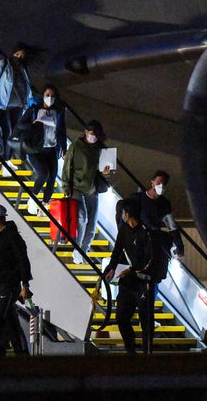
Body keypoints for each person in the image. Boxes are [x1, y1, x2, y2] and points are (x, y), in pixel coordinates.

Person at [103, 199, 154, 354]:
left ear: (128, 213)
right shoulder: (124, 230)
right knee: (121, 317)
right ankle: (130, 350)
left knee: (145, 320)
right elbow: (117, 251)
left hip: (142, 282)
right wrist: (111, 268)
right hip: (127, 281)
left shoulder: (145, 232)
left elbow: (149, 258)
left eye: (123, 212)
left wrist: (132, 269)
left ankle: (147, 353)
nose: (122, 215)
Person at [0, 203, 33, 356]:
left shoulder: (13, 237)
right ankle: (21, 353)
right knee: (11, 322)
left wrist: (25, 285)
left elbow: (23, 260)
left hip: (9, 285)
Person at [61, 119, 111, 264]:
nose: (93, 138)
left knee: (92, 223)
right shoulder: (76, 146)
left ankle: (82, 250)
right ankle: (77, 248)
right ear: (85, 133)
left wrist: (106, 172)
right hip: (76, 187)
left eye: (95, 135)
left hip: (92, 189)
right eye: (90, 134)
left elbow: (102, 171)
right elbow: (67, 166)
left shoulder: (100, 149)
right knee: (82, 218)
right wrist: (66, 187)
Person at [15, 84, 67, 216]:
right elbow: (20, 123)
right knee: (43, 173)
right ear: (42, 96)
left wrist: (64, 148)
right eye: (47, 95)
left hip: (52, 148)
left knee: (52, 176)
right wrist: (34, 123)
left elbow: (61, 130)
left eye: (52, 96)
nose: (50, 98)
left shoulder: (58, 112)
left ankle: (44, 204)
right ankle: (32, 198)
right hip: (36, 148)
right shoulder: (34, 109)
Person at [0, 44, 33, 172]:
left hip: (18, 106)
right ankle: (5, 161)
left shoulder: (24, 68)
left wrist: (28, 104)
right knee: (8, 131)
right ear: (12, 53)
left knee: (13, 134)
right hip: (3, 104)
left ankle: (7, 158)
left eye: (22, 56)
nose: (19, 58)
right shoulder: (3, 64)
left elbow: (27, 87)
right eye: (17, 55)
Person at [119, 170, 185, 258]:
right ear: (152, 183)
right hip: (137, 239)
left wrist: (179, 246)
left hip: (153, 241)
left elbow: (172, 226)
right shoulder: (138, 198)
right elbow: (125, 215)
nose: (160, 186)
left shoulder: (164, 204)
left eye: (163, 184)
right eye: (158, 183)